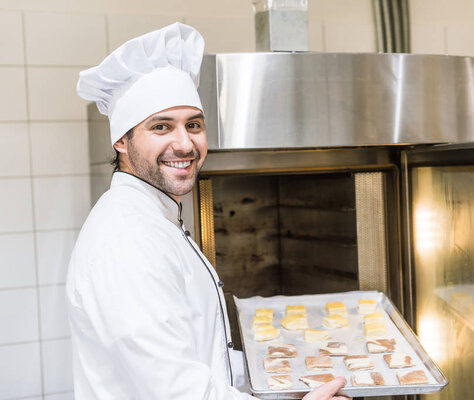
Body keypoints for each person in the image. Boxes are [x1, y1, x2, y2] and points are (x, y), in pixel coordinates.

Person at [67, 22, 350, 399]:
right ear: (121, 139)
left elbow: (200, 359)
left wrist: (284, 381)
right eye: (162, 126)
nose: (184, 143)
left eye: (194, 125)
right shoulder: (127, 239)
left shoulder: (154, 219)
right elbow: (176, 390)